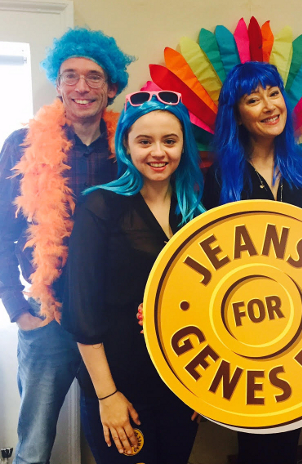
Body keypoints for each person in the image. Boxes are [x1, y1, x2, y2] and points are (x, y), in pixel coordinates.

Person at [0, 27, 134, 464]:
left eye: (94, 77)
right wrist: (16, 308)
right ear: (56, 84)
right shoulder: (21, 146)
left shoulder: (128, 147)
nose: (81, 86)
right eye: (70, 75)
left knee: (118, 432)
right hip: (48, 314)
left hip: (110, 313)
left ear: (111, 86)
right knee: (34, 443)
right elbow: (1, 228)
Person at [202, 61, 302, 464]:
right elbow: (210, 259)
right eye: (252, 98)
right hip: (244, 324)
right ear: (237, 115)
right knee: (254, 432)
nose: (268, 105)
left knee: (292, 422)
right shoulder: (220, 178)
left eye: (273, 93)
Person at [62, 91, 204, 463]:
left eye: (169, 141)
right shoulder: (99, 206)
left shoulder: (197, 215)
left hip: (182, 387)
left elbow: (211, 304)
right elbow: (83, 313)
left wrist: (205, 387)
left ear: (183, 145)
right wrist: (107, 397)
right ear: (126, 144)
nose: (158, 152)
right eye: (145, 141)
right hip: (119, 387)